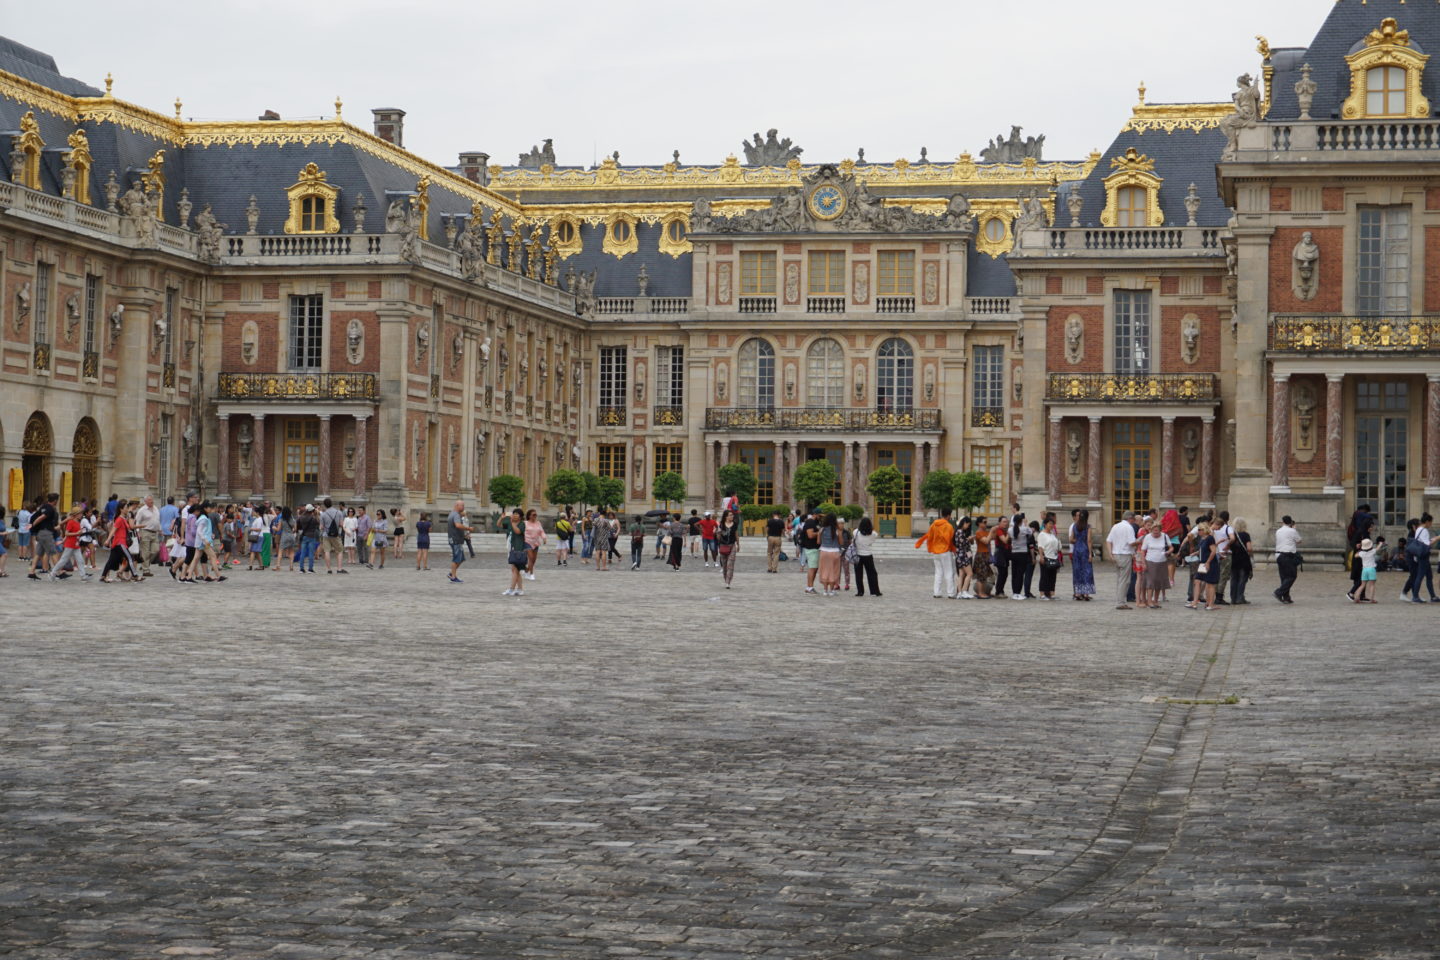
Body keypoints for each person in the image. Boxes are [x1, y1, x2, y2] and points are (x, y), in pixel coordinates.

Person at [915, 506, 956, 600]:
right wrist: (954, 550)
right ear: (949, 516)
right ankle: (951, 593)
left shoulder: (934, 524)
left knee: (938, 572)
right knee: (949, 572)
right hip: (945, 551)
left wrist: (930, 548)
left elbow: (930, 537)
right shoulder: (949, 526)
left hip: (936, 551)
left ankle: (937, 592)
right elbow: (950, 540)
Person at [1106, 511, 1140, 610]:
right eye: (1133, 519)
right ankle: (1120, 602)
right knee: (1125, 580)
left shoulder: (1115, 526)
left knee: (1120, 579)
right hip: (1125, 555)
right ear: (1130, 518)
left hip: (1116, 554)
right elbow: (1131, 543)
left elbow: (1108, 541)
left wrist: (1110, 554)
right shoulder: (1129, 527)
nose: (1134, 521)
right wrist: (1140, 540)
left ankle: (1120, 600)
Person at [1402, 513, 1436, 603]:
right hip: (1423, 555)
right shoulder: (1424, 530)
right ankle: (1415, 596)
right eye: (1431, 522)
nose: (1431, 524)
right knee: (1420, 576)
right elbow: (1426, 544)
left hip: (1421, 554)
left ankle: (1432, 596)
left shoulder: (1419, 529)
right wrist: (1436, 539)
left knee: (1428, 576)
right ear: (1428, 522)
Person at [1137, 518, 1169, 609]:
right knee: (1150, 582)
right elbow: (1143, 551)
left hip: (1162, 561)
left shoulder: (1164, 536)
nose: (1155, 533)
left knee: (1159, 582)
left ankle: (1155, 600)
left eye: (1157, 531)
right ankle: (1149, 601)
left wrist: (1168, 552)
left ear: (1160, 530)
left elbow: (1171, 547)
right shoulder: (1147, 537)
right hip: (1150, 561)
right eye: (1154, 531)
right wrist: (1143, 563)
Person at [1186, 521, 1219, 610]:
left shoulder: (1210, 538)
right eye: (1198, 530)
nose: (1199, 531)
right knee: (1197, 581)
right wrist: (1195, 553)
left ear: (1204, 530)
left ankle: (1210, 604)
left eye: (1200, 529)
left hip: (1209, 563)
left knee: (1209, 583)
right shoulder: (1202, 539)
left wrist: (1208, 562)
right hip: (1202, 563)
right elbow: (1202, 550)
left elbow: (1213, 551)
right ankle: (1194, 602)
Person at [499, 507, 528, 596]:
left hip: (518, 549)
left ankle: (512, 589)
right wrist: (501, 518)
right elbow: (499, 525)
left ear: (520, 516)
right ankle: (520, 589)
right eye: (514, 513)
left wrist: (512, 523)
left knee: (515, 569)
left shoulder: (522, 524)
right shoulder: (510, 522)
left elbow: (518, 531)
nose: (515, 515)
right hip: (511, 549)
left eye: (517, 514)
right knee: (516, 570)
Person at [1273, 515, 1302, 604]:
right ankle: (1278, 592)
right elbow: (1299, 540)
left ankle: (1286, 597)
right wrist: (1294, 528)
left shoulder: (1278, 531)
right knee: (1292, 576)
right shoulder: (1292, 531)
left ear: (1283, 522)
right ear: (1290, 522)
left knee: (1284, 577)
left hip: (1278, 555)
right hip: (1287, 556)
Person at [1007, 512, 1034, 601]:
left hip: (1014, 553)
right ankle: (1018, 593)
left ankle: (1014, 592)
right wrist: (1025, 524)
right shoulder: (1024, 529)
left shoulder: (1010, 530)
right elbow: (1031, 533)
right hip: (1022, 553)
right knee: (1020, 574)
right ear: (1021, 521)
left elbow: (1008, 539)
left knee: (1014, 573)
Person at [817, 512, 843, 596]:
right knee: (834, 570)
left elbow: (818, 541)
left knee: (824, 570)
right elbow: (841, 542)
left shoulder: (822, 529)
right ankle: (832, 590)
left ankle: (825, 590)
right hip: (834, 551)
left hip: (824, 551)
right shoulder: (837, 530)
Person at [1036, 517, 1061, 600]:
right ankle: (1042, 594)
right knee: (1044, 576)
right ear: (1045, 524)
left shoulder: (1052, 534)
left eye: (1052, 524)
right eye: (1049, 523)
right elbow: (1040, 547)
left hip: (1054, 557)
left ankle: (1051, 593)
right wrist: (1041, 556)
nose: (1051, 525)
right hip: (1046, 557)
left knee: (1052, 577)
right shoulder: (1042, 534)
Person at [1229, 517, 1253, 605]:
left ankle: (1233, 598)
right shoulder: (1246, 535)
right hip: (1244, 560)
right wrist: (1251, 555)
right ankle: (1240, 598)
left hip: (1234, 559)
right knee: (1242, 579)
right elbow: (1249, 548)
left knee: (1234, 579)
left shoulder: (1231, 535)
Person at [319, 498, 346, 574]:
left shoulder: (323, 514)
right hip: (336, 535)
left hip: (326, 535)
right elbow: (341, 524)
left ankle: (329, 569)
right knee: (339, 551)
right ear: (332, 503)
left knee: (327, 551)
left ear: (325, 505)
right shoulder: (339, 513)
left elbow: (321, 527)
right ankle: (339, 569)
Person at [446, 500, 471, 583]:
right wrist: (468, 528)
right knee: (456, 558)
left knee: (461, 558)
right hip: (455, 539)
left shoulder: (452, 514)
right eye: (462, 505)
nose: (463, 507)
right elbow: (458, 525)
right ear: (457, 505)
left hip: (454, 538)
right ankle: (453, 577)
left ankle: (451, 573)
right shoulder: (456, 515)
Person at [715, 508, 740, 588]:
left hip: (732, 546)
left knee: (730, 564)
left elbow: (736, 535)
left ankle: (728, 582)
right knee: (725, 565)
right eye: (730, 515)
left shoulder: (735, 524)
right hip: (723, 547)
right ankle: (726, 579)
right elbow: (718, 535)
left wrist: (738, 544)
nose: (732, 516)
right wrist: (719, 538)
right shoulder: (721, 525)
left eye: (732, 515)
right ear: (726, 516)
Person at [953, 516, 975, 599]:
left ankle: (959, 592)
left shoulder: (957, 531)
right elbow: (963, 543)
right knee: (970, 574)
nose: (968, 526)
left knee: (961, 574)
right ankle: (964, 591)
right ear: (964, 523)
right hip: (963, 555)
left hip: (960, 555)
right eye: (967, 524)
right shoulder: (960, 532)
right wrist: (969, 539)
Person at [972, 518, 994, 598]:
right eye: (984, 522)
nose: (986, 523)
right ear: (979, 523)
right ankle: (980, 593)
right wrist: (991, 531)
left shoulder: (986, 532)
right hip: (981, 555)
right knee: (980, 575)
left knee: (985, 575)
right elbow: (986, 541)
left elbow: (992, 538)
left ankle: (984, 592)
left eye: (986, 522)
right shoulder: (978, 532)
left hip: (986, 555)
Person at [523, 508, 545, 580]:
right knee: (531, 558)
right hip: (527, 541)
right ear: (529, 516)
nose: (535, 516)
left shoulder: (538, 523)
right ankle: (532, 574)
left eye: (536, 515)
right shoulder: (525, 523)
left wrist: (544, 538)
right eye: (533, 515)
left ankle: (526, 571)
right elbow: (521, 532)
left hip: (536, 542)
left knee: (534, 560)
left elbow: (541, 531)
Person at [1356, 537, 1379, 603]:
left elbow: (1356, 555)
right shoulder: (1372, 551)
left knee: (1362, 585)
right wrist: (1380, 544)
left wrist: (1359, 549)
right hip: (1371, 569)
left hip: (1364, 569)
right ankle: (1372, 599)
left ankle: (1357, 597)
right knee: (1372, 585)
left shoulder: (1362, 553)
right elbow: (1377, 549)